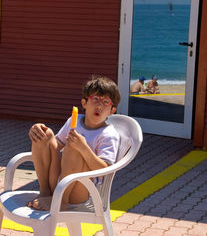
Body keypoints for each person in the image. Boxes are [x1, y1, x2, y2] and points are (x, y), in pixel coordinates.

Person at [27, 76, 131, 211]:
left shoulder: (108, 134)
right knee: (45, 135)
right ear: (84, 103)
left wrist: (84, 149)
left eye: (106, 102)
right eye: (95, 99)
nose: (99, 105)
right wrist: (38, 131)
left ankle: (61, 202)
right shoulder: (74, 121)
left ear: (112, 111)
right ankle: (45, 192)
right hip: (59, 182)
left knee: (74, 146)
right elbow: (54, 147)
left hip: (81, 191)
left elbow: (103, 171)